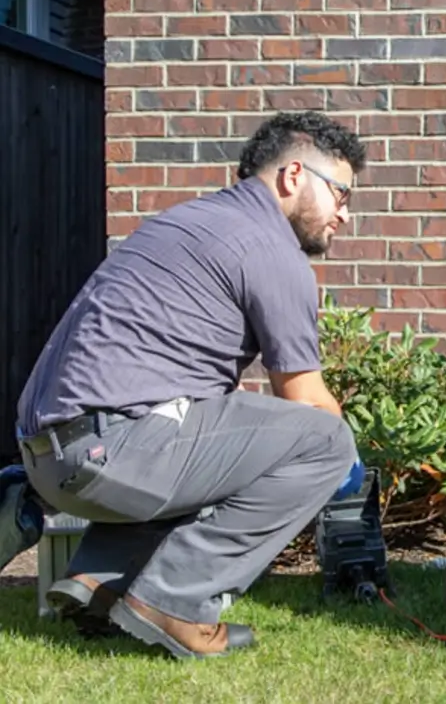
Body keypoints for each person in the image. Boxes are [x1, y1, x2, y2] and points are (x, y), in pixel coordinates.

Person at [14, 110, 366, 659]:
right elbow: (306, 400)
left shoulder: (186, 222)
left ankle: (97, 584)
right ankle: (176, 602)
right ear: (295, 176)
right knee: (326, 443)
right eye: (341, 193)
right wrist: (353, 472)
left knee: (216, 427)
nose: (345, 214)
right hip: (108, 451)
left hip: (48, 453)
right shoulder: (270, 250)